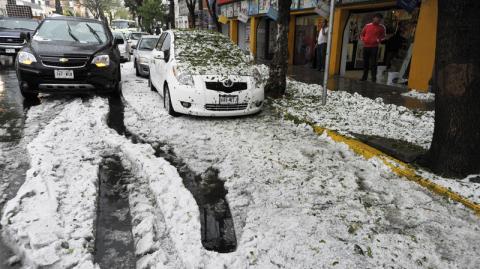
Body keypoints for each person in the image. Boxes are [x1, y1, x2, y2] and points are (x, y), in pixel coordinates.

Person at [360, 13, 386, 82]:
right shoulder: (367, 26)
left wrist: (378, 40)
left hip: (374, 47)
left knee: (373, 63)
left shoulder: (382, 27)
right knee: (365, 62)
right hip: (366, 46)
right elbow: (362, 34)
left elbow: (383, 37)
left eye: (379, 18)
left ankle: (373, 78)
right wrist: (363, 39)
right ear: (373, 18)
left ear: (380, 20)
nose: (377, 19)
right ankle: (364, 77)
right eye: (376, 18)